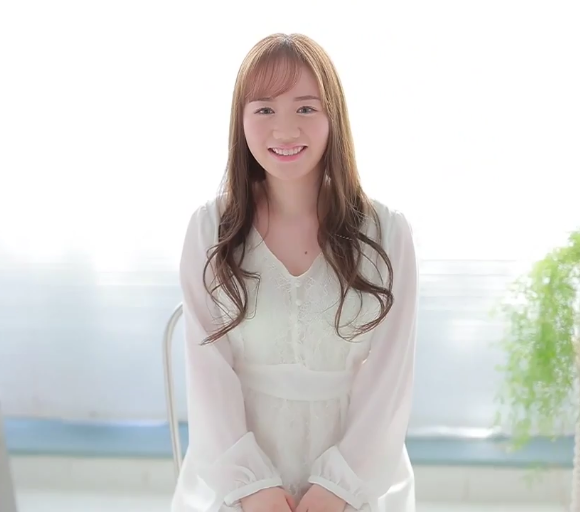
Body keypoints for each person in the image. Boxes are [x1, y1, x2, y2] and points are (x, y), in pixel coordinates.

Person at [170, 33, 419, 512]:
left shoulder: (387, 233)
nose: (284, 130)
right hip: (235, 469)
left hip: (360, 468)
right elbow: (208, 376)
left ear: (333, 118)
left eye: (305, 108)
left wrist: (339, 488)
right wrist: (252, 487)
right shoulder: (209, 229)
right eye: (264, 109)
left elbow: (391, 377)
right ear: (241, 121)